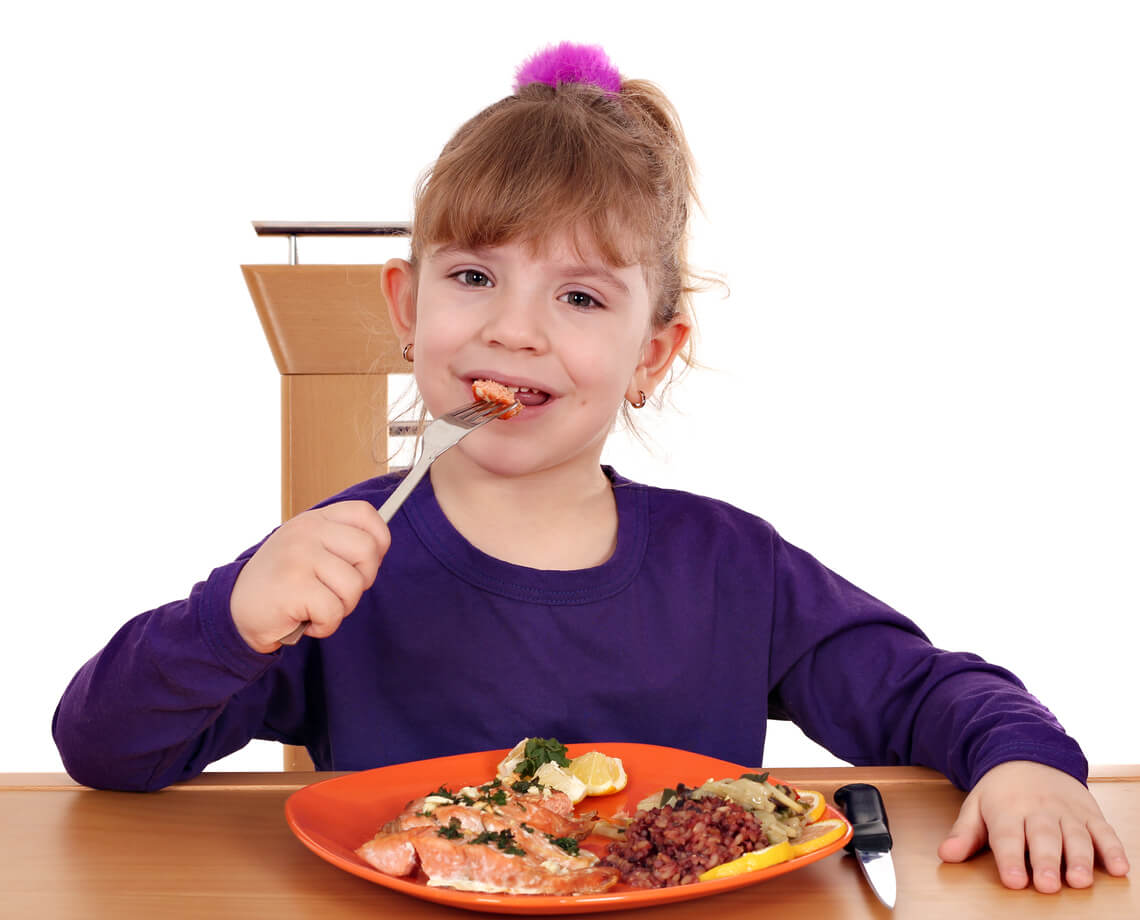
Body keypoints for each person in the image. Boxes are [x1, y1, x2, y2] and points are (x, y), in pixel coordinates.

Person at [53, 42, 1127, 894]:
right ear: (407, 308)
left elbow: (927, 688)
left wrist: (1024, 759)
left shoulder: (729, 566)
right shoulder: (335, 559)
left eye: (578, 296)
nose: (515, 330)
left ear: (650, 353)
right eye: (475, 274)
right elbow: (103, 748)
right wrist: (229, 617)